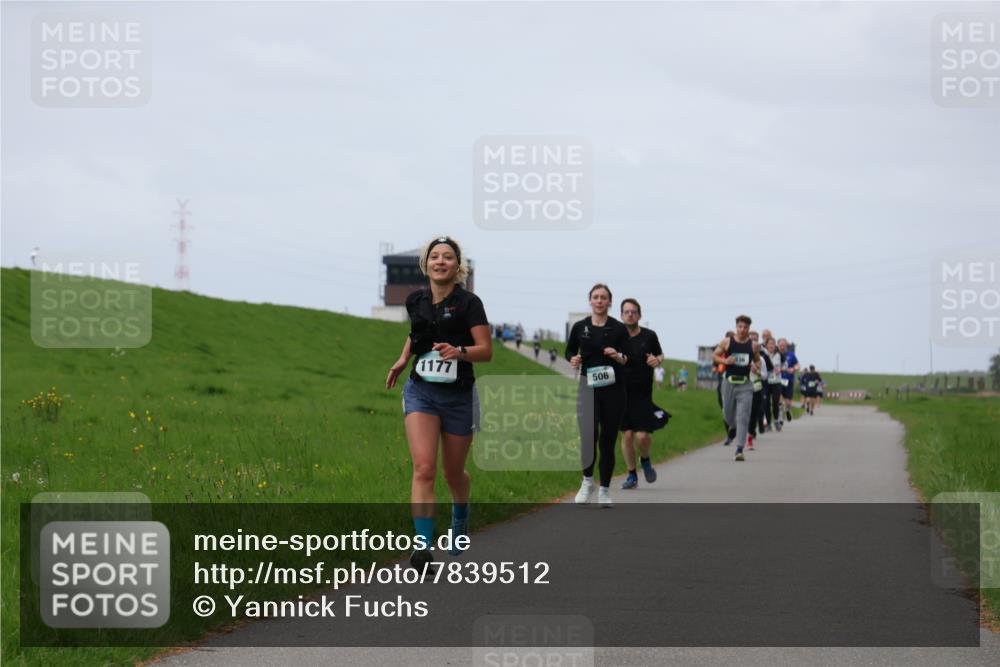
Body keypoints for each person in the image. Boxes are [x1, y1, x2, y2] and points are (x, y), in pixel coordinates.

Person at [386, 236, 492, 568]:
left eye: (448, 257)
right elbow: (417, 334)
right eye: (435, 257)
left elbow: (485, 351)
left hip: (459, 395)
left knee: (453, 473)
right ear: (426, 264)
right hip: (422, 391)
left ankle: (460, 516)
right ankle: (422, 547)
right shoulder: (415, 299)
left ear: (457, 266)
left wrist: (460, 352)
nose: (440, 261)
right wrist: (404, 359)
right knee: (424, 468)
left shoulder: (470, 303)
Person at [566, 284, 629, 508]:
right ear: (590, 301)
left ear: (610, 302)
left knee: (607, 441)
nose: (600, 301)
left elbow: (627, 358)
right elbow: (569, 350)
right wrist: (573, 359)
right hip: (587, 387)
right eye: (596, 297)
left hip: (613, 390)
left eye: (603, 298)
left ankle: (604, 490)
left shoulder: (619, 329)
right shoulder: (580, 327)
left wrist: (618, 356)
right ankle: (587, 482)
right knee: (588, 437)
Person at [617, 299, 664, 490]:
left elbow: (660, 355)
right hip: (620, 393)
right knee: (627, 435)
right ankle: (631, 475)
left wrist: (656, 360)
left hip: (643, 394)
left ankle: (645, 459)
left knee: (642, 437)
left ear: (639, 315)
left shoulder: (649, 336)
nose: (630, 314)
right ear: (621, 315)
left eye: (633, 312)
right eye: (626, 312)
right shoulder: (615, 337)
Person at [713, 316, 760, 461]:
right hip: (729, 383)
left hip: (745, 385)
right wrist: (725, 360)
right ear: (736, 327)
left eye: (745, 327)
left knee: (743, 416)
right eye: (740, 326)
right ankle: (732, 427)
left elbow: (758, 361)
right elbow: (715, 355)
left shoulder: (753, 345)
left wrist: (755, 366)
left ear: (748, 329)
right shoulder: (727, 342)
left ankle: (739, 449)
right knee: (727, 414)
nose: (742, 330)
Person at [764, 337, 784, 431]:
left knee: (775, 402)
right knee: (766, 403)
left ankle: (776, 420)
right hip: (766, 382)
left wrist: (780, 369)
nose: (771, 345)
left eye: (773, 343)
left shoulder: (779, 354)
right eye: (770, 343)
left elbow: (786, 364)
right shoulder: (763, 354)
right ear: (766, 345)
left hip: (776, 382)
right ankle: (768, 423)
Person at [778, 338, 799, 422]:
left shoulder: (791, 355)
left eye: (784, 345)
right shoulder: (776, 355)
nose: (782, 347)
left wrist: (793, 369)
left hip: (788, 380)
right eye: (781, 345)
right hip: (777, 380)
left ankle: (787, 410)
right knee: (779, 399)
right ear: (778, 345)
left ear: (786, 346)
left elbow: (798, 365)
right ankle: (780, 417)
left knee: (788, 402)